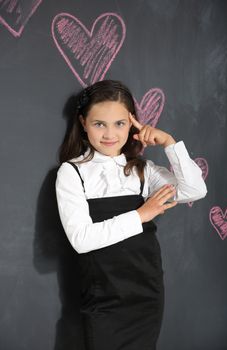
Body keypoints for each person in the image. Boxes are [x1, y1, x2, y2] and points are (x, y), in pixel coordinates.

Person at [55, 79, 207, 350]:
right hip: (103, 294)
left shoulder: (143, 170)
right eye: (99, 123)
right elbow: (81, 239)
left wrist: (169, 143)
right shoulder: (72, 172)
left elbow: (194, 190)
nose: (110, 133)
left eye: (120, 123)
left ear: (132, 123)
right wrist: (141, 215)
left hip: (146, 291)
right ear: (83, 122)